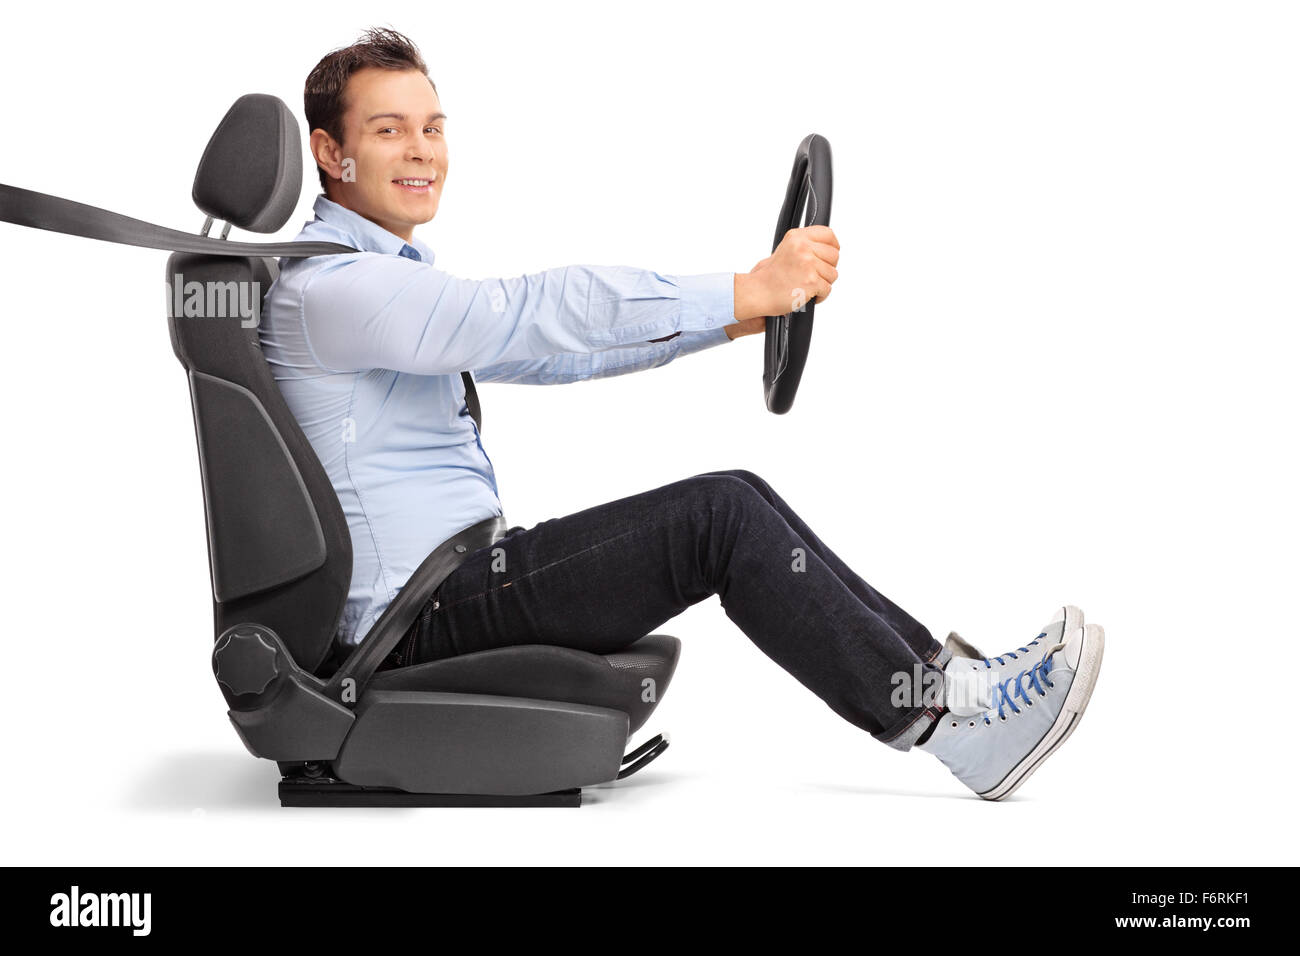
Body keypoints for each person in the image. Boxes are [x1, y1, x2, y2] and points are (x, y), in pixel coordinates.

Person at [261, 27, 1104, 801]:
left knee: (735, 496)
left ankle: (958, 690)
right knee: (720, 516)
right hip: (423, 619)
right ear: (329, 151)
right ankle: (955, 729)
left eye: (433, 127)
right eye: (389, 130)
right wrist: (747, 285)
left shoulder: (374, 285)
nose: (422, 151)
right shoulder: (335, 288)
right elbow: (527, 312)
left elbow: (557, 351)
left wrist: (738, 320)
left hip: (460, 586)